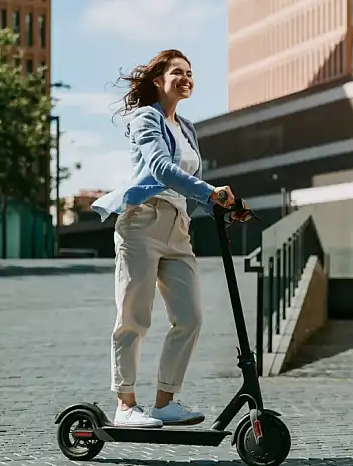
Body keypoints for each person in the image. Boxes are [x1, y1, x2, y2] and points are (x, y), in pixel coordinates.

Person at [91, 49, 250, 428]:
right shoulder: (145, 118)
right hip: (142, 221)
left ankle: (165, 402)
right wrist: (210, 192)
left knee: (190, 318)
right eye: (177, 72)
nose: (186, 78)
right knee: (134, 317)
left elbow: (189, 183)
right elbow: (162, 169)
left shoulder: (187, 127)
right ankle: (125, 405)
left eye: (190, 73)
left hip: (178, 227)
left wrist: (224, 204)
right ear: (158, 80)